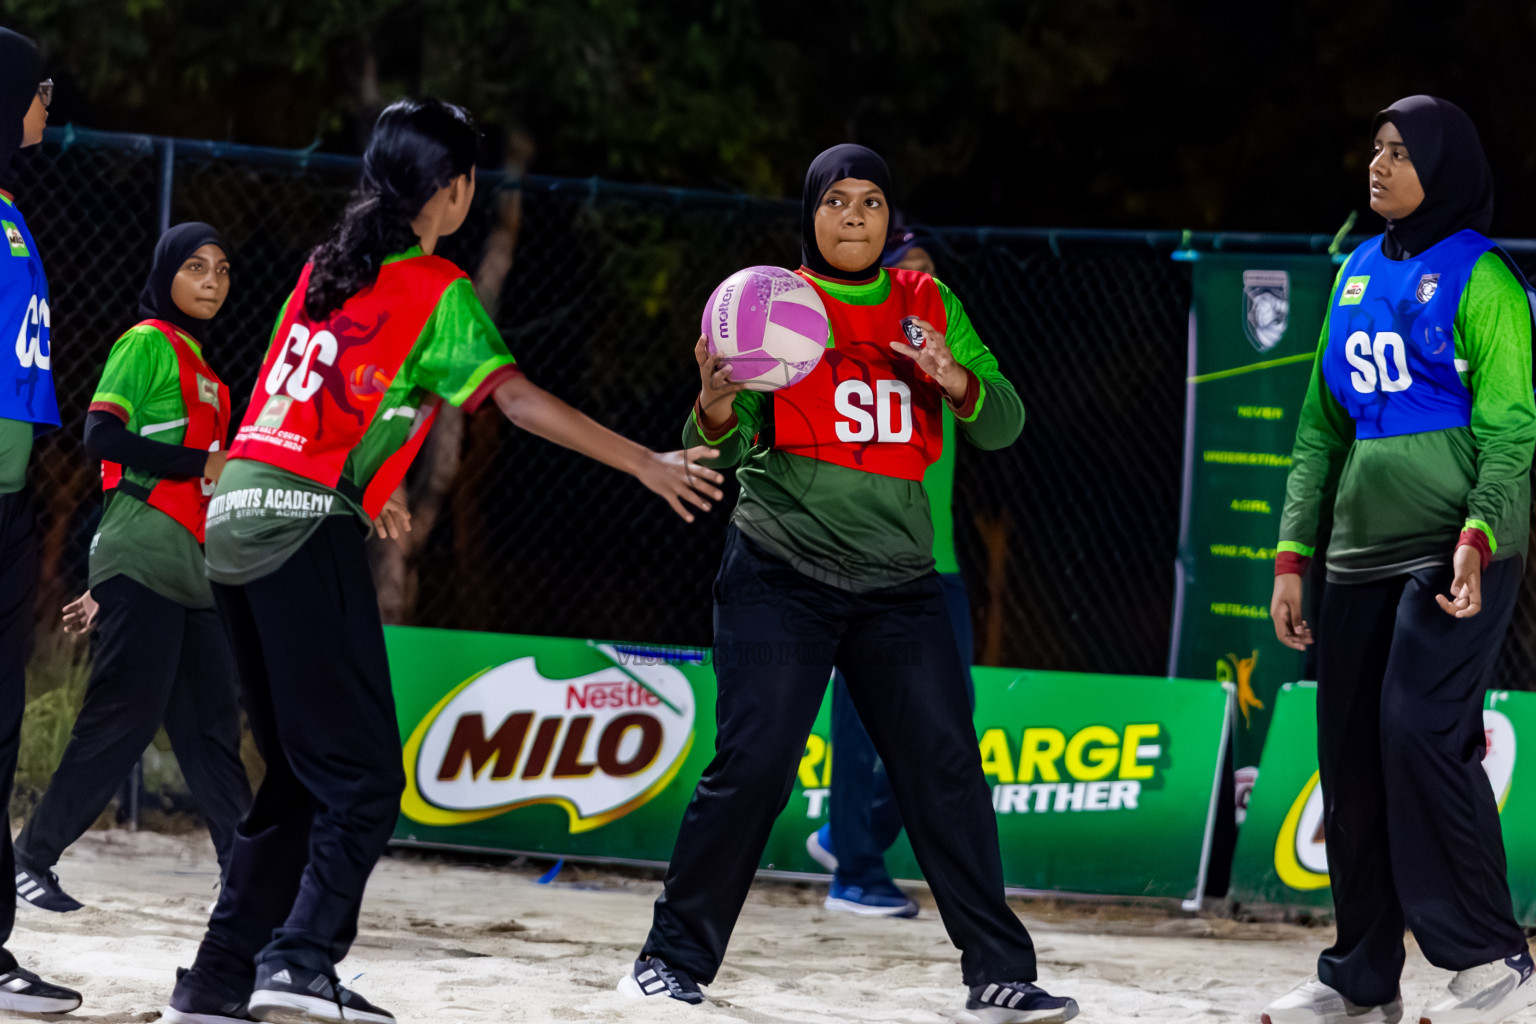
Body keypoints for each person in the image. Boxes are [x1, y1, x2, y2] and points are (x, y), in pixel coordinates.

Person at [162, 97, 724, 1024]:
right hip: (302, 523)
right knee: (369, 779)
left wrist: (366, 481)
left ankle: (217, 983)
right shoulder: (436, 287)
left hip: (236, 516)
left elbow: (286, 395)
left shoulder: (324, 266)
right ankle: (298, 962)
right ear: (455, 189)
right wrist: (646, 462)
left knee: (304, 775)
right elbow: (518, 401)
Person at [621, 144, 1078, 1023]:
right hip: (779, 571)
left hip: (898, 584)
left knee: (946, 768)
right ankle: (668, 963)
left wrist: (954, 377)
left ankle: (999, 974)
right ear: (811, 215)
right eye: (838, 201)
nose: (857, 216)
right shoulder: (769, 299)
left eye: (872, 200)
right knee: (753, 764)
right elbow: (725, 435)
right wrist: (714, 401)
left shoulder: (927, 301)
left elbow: (1005, 422)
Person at [1263, 96, 1536, 1024]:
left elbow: (1511, 428)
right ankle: (1360, 975)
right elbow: (1317, 430)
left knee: (1418, 729)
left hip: (1456, 549)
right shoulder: (1351, 274)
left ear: (1444, 168)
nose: (1378, 165)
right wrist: (1295, 552)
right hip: (1357, 555)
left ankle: (1493, 959)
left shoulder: (1485, 281)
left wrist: (1480, 533)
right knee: (1348, 756)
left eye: (1399, 151)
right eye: (1374, 149)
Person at [12, 223, 252, 913]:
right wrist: (202, 463)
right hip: (141, 556)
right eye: (196, 267)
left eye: (223, 270)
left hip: (191, 570)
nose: (211, 281)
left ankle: (245, 878)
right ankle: (31, 858)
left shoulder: (213, 378)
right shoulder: (146, 342)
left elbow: (201, 490)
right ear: (167, 274)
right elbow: (101, 436)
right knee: (123, 718)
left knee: (212, 731)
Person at [804, 224, 976, 920]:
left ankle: (853, 837)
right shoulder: (850, 358)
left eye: (933, 274)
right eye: (911, 272)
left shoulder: (946, 358)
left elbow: (987, 402)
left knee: (949, 719)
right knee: (861, 723)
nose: (923, 287)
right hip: (863, 564)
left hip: (940, 565)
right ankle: (854, 871)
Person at [0, 26, 84, 1015]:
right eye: (38, 89)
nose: (48, 104)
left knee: (0, 727)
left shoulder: (15, 213)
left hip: (9, 516)